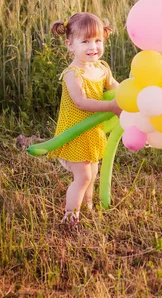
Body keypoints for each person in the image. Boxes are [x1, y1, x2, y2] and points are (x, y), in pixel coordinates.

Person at [47, 12, 122, 226]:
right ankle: (70, 217)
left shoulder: (101, 68)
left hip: (93, 132)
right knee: (83, 177)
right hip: (76, 131)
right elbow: (81, 102)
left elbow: (115, 88)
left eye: (97, 40)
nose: (93, 47)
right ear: (70, 45)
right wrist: (111, 106)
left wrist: (130, 94)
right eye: (85, 41)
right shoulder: (73, 73)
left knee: (93, 171)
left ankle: (87, 206)